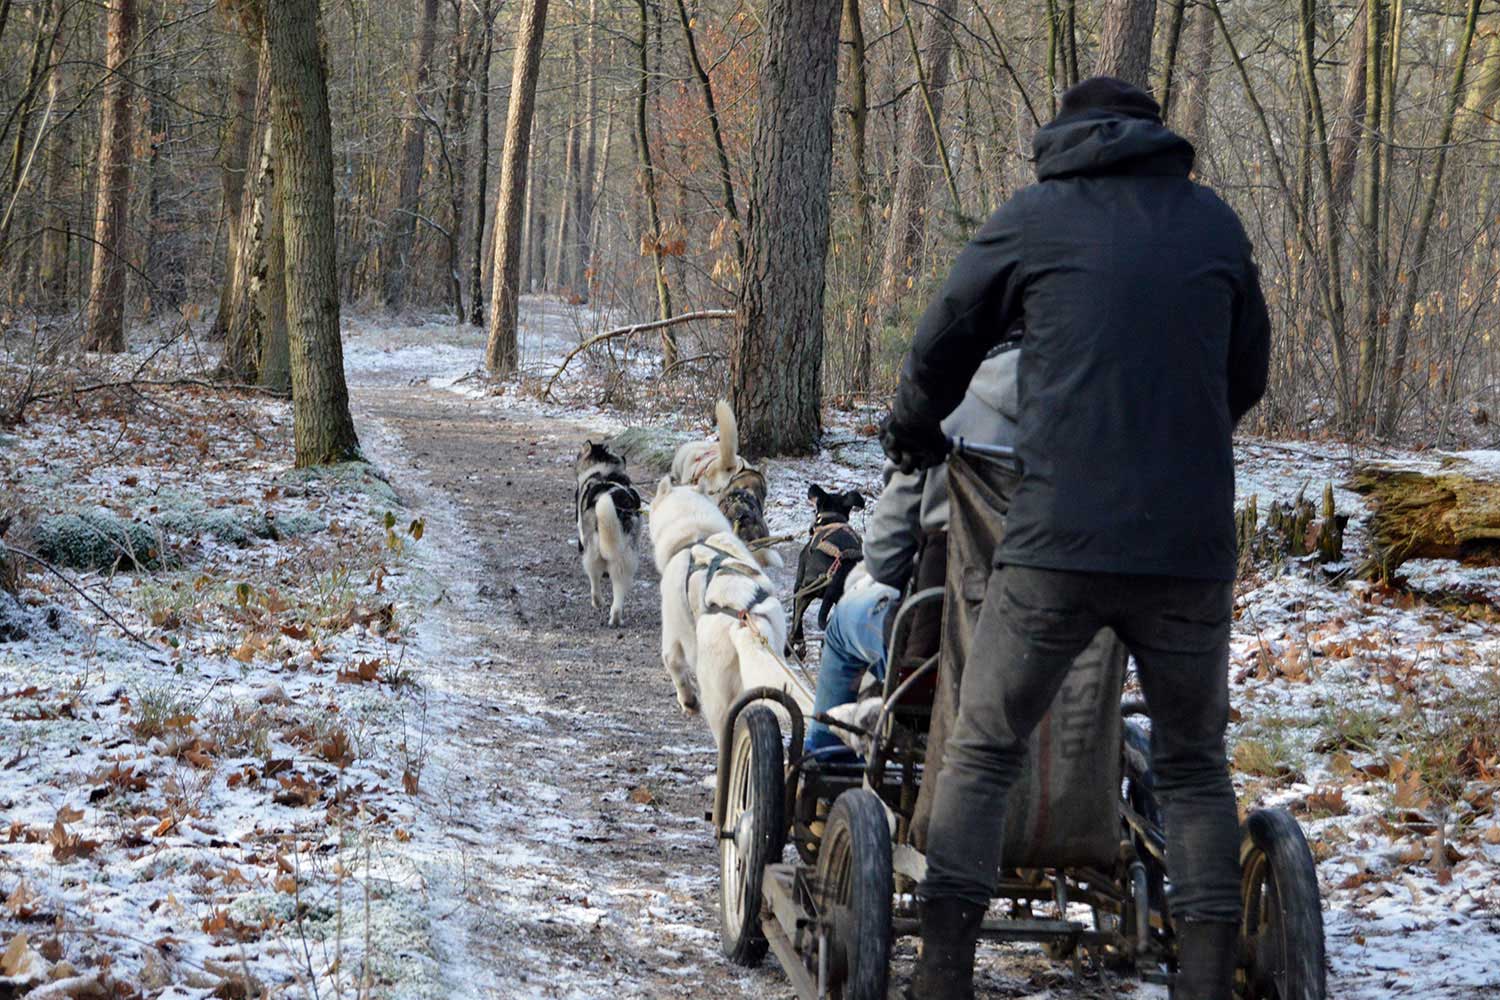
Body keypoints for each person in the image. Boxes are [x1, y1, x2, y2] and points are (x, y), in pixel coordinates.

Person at [880, 77, 1270, 1000]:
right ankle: (1205, 984)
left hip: (1058, 542)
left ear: (1065, 137)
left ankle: (943, 976)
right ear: (1154, 136)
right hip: (1187, 553)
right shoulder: (1215, 224)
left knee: (984, 746)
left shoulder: (1035, 218)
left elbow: (944, 339)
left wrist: (913, 429)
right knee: (1193, 768)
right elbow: (1246, 374)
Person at [803, 344, 1019, 763]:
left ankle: (829, 765)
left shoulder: (943, 404)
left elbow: (884, 558)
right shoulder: (1095, 412)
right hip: (1062, 666)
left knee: (843, 624)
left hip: (940, 650)